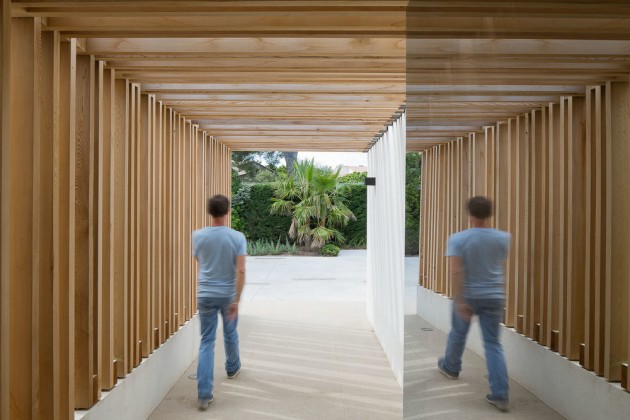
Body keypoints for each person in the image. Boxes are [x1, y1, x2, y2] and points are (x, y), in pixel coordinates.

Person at [437, 196, 511, 412]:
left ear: (469, 214)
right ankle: (500, 394)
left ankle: (451, 367)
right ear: (490, 214)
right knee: (493, 344)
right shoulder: (503, 238)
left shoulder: (458, 239)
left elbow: (456, 270)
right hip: (494, 296)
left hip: (469, 295)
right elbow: (497, 266)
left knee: (458, 334)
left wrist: (460, 299)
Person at [192, 194, 246, 411]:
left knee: (206, 341)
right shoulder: (237, 237)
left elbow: (200, 260)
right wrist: (236, 300)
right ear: (227, 212)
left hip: (205, 294)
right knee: (230, 332)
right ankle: (232, 368)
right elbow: (241, 269)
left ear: (209, 211)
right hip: (227, 295)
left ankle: (204, 394)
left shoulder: (198, 236)